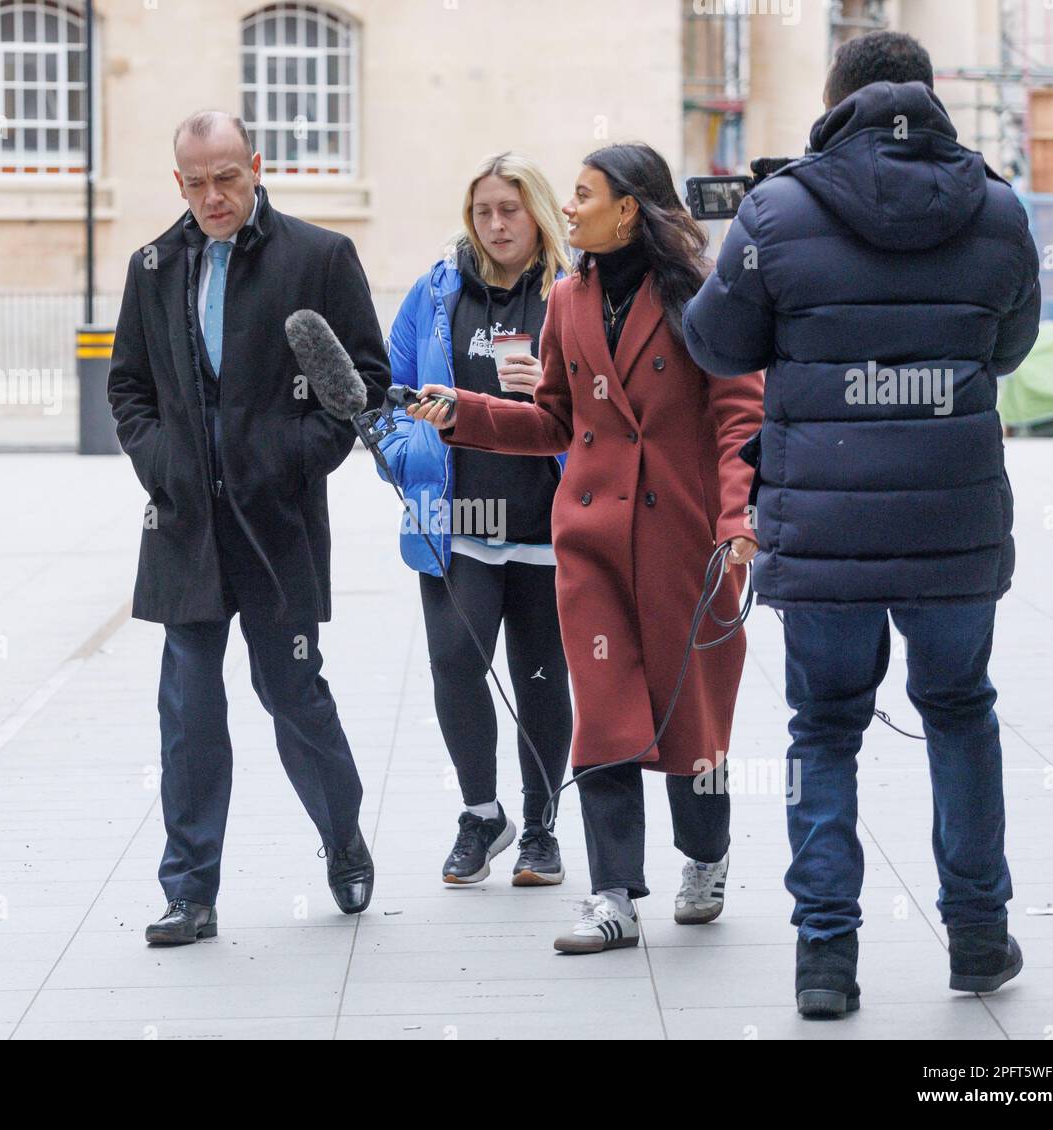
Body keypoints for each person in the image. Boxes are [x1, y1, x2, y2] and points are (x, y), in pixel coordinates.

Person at [682, 31, 1042, 1017]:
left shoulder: (775, 210)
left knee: (823, 728)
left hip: (823, 519)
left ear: (834, 102)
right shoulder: (999, 210)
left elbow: (716, 342)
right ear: (925, 99)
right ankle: (975, 934)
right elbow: (1007, 348)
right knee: (960, 713)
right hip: (953, 518)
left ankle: (825, 959)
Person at [410, 144, 763, 953]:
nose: (567, 210)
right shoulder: (569, 298)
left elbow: (742, 419)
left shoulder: (706, 295)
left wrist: (738, 521)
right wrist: (462, 410)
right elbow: (557, 424)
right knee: (604, 718)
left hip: (688, 549)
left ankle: (705, 856)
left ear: (630, 208)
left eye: (583, 195)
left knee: (693, 721)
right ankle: (612, 896)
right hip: (594, 546)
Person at [106, 111, 389, 945]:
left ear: (256, 166)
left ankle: (342, 839)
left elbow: (360, 383)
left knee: (292, 693)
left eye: (226, 176)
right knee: (189, 709)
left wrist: (288, 459)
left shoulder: (320, 257)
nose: (212, 195)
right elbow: (128, 388)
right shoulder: (152, 267)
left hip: (278, 526)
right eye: (194, 182)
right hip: (185, 529)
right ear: (177, 183)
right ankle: (190, 891)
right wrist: (167, 466)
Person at [381, 153, 574, 887]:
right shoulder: (435, 293)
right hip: (456, 518)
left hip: (548, 522)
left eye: (511, 209)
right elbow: (388, 391)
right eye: (484, 210)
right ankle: (481, 814)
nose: (497, 224)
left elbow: (608, 400)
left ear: (539, 214)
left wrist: (555, 390)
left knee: (541, 677)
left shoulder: (572, 293)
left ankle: (543, 825)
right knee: (456, 666)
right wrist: (404, 455)